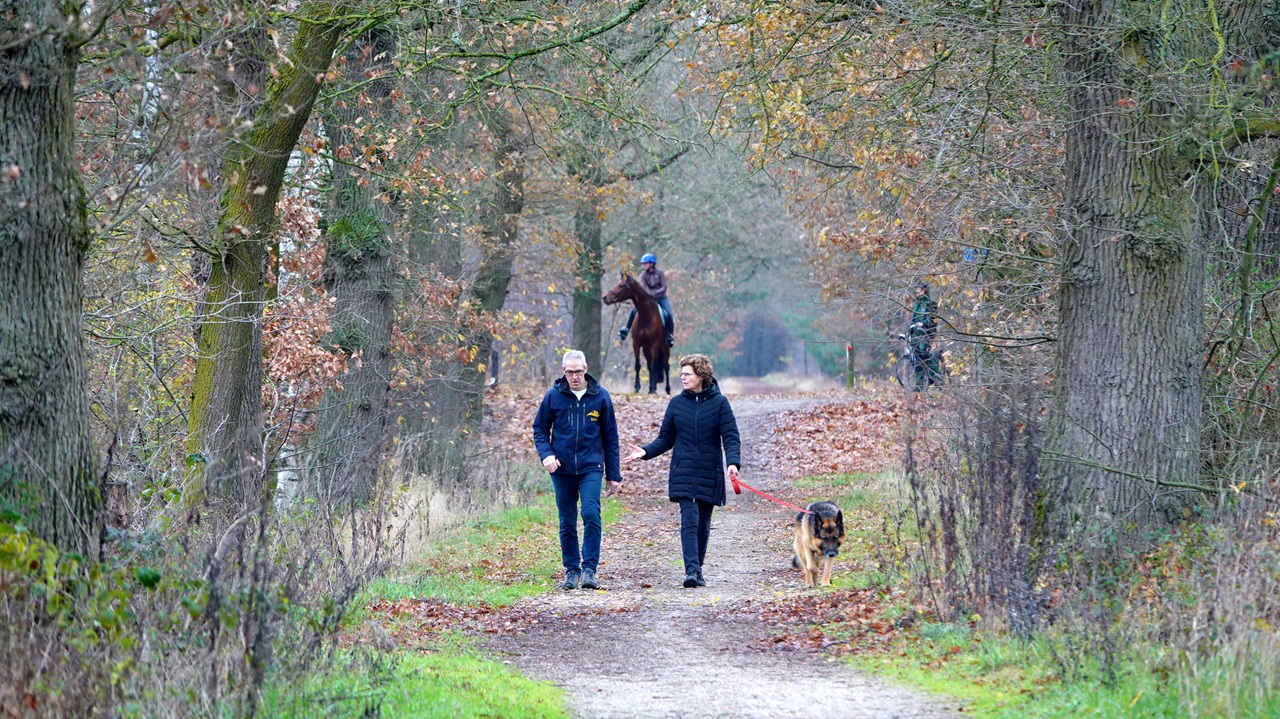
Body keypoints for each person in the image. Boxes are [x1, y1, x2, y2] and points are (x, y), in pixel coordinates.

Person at [624, 354, 740, 588]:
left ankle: (698, 569)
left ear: (701, 375)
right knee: (689, 519)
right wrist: (645, 451)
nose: (683, 378)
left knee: (703, 523)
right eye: (682, 374)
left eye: (687, 374)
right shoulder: (676, 403)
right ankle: (691, 570)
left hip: (709, 470)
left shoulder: (720, 403)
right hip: (683, 470)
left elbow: (730, 436)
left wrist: (733, 463)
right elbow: (666, 438)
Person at [532, 350, 623, 590]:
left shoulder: (600, 397)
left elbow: (611, 437)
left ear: (586, 369)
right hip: (561, 469)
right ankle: (572, 570)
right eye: (570, 372)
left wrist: (614, 474)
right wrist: (546, 455)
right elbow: (539, 429)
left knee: (591, 513)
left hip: (591, 467)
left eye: (578, 372)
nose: (574, 376)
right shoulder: (553, 396)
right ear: (563, 371)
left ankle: (589, 569)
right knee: (567, 520)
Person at [618, 253, 675, 347]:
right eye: (643, 264)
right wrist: (644, 294)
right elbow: (642, 286)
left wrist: (656, 292)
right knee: (633, 311)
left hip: (661, 298)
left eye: (645, 263)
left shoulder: (660, 273)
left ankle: (670, 336)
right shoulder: (644, 275)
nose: (644, 265)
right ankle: (626, 329)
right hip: (650, 299)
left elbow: (664, 287)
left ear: (651, 264)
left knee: (669, 314)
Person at [905, 281, 941, 386]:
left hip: (926, 334)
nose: (916, 293)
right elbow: (913, 319)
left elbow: (933, 320)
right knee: (916, 358)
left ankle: (937, 378)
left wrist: (923, 324)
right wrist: (910, 329)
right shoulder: (916, 304)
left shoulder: (931, 304)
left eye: (918, 290)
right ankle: (919, 384)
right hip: (915, 334)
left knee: (924, 354)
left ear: (923, 291)